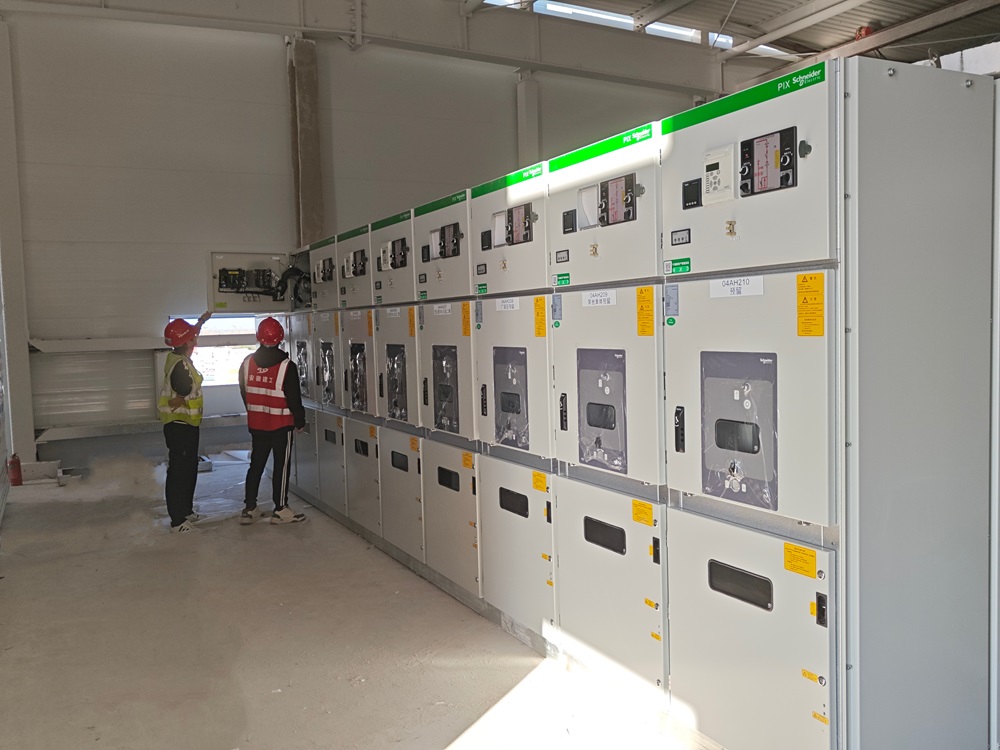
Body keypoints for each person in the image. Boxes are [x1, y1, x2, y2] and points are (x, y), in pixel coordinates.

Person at [238, 316, 307, 525]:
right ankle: (281, 509)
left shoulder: (247, 363)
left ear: (258, 337)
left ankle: (250, 508)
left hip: (257, 424)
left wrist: (254, 412)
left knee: (256, 464)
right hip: (281, 425)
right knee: (281, 466)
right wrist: (300, 422)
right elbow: (294, 399)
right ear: (280, 338)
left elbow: (244, 392)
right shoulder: (287, 366)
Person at [158, 311, 212, 533]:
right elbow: (184, 388)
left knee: (189, 469)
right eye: (192, 336)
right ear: (187, 342)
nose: (195, 338)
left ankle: (186, 511)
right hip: (179, 426)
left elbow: (189, 334)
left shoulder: (178, 356)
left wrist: (201, 322)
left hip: (187, 425)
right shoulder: (180, 366)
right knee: (179, 472)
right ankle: (177, 520)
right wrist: (181, 396)